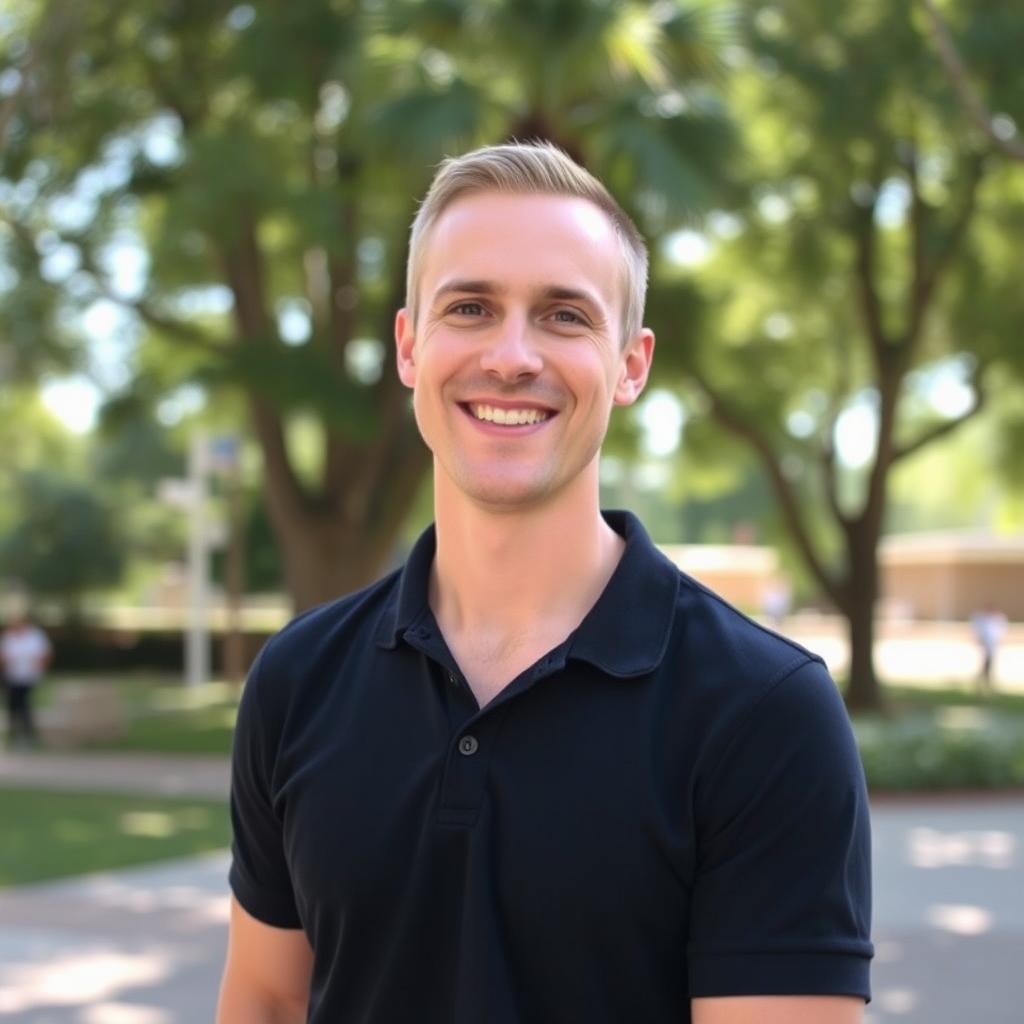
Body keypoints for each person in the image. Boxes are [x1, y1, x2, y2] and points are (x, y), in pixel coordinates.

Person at [217, 143, 872, 1024]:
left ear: (631, 364)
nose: (512, 356)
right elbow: (265, 998)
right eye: (472, 307)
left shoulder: (765, 714)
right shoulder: (298, 681)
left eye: (564, 315)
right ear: (410, 346)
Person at [1, 608, 52, 747]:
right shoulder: (9, 636)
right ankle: (14, 733)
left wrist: (38, 668)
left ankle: (27, 733)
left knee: (23, 704)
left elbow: (44, 655)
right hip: (12, 676)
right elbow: (4, 656)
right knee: (12, 704)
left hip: (29, 676)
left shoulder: (35, 636)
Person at [971, 603, 1007, 693]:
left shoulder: (997, 619)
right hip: (985, 647)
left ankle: (985, 684)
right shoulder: (982, 619)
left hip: (991, 647)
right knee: (985, 666)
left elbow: (1000, 632)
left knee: (988, 666)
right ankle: (982, 685)